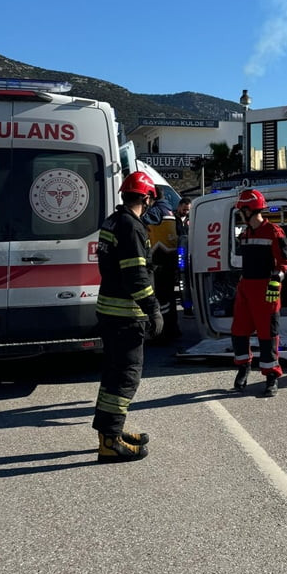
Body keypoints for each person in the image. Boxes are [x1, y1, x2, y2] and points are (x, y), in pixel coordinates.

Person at [93, 171, 163, 462]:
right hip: (125, 316)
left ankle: (111, 432)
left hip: (110, 311)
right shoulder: (132, 227)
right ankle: (110, 443)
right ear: (146, 198)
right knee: (125, 377)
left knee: (113, 376)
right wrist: (154, 309)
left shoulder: (113, 221)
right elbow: (136, 275)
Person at [231, 188, 287, 397]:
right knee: (239, 331)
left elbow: (284, 262)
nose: (240, 214)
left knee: (268, 334)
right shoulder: (246, 233)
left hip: (267, 288)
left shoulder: (274, 232)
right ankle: (243, 368)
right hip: (246, 288)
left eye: (241, 210)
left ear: (249, 210)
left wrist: (276, 282)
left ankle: (271, 377)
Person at [143, 188, 180, 341]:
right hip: (169, 259)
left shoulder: (157, 211)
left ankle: (163, 333)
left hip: (160, 260)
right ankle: (173, 329)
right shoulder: (168, 210)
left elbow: (140, 219)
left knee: (161, 299)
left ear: (152, 197)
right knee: (169, 298)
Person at [175, 195, 193, 315]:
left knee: (186, 283)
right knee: (182, 283)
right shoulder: (171, 217)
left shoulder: (191, 219)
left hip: (187, 257)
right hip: (174, 254)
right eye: (184, 209)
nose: (186, 212)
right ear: (179, 207)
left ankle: (188, 308)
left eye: (188, 210)